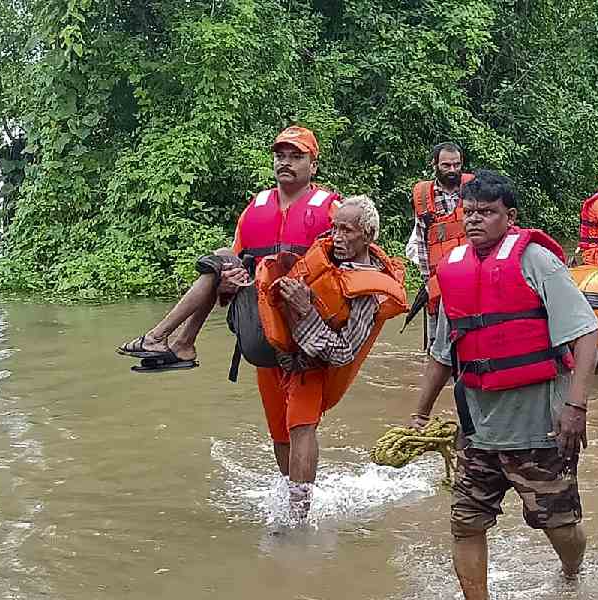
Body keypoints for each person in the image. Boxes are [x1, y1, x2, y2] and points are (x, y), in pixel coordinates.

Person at [410, 170, 598, 598]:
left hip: (539, 430)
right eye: (469, 212)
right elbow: (443, 353)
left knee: (560, 526)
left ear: (509, 216)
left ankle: (572, 574)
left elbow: (587, 332)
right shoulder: (454, 270)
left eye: (488, 213)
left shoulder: (538, 261)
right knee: (465, 523)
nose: (475, 220)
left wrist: (576, 407)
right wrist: (419, 413)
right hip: (477, 430)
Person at [116, 125, 340, 370]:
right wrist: (226, 284)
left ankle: (165, 340)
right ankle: (177, 342)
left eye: (296, 157)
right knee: (221, 258)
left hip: (305, 327)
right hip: (261, 325)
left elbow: (353, 271)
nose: (286, 162)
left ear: (313, 166)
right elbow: (231, 270)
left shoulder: (333, 210)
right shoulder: (255, 208)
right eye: (280, 156)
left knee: (222, 257)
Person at [255, 195, 407, 522]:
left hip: (315, 366)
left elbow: (343, 352)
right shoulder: (324, 252)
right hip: (282, 356)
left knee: (300, 429)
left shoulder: (368, 291)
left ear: (367, 235)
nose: (337, 237)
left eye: (347, 231)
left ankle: (298, 518)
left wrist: (305, 310)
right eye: (335, 228)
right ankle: (291, 498)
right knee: (279, 433)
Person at [405, 142, 475, 344]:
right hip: (439, 281)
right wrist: (429, 283)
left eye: (456, 164)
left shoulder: (474, 190)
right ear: (434, 165)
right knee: (438, 344)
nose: (453, 170)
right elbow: (421, 242)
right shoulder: (424, 198)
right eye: (446, 165)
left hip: (471, 278)